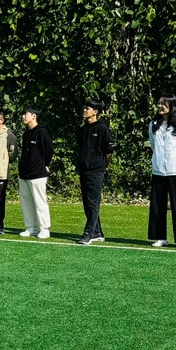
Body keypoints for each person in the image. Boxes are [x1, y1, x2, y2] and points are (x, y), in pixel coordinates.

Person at [146, 95, 176, 249]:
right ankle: (160, 237)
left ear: (171, 106)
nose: (160, 106)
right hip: (159, 171)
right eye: (159, 103)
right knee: (158, 206)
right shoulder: (153, 124)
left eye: (164, 104)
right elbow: (153, 144)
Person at [77, 100, 115, 245]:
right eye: (84, 107)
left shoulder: (102, 128)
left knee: (93, 203)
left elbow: (109, 151)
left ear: (95, 112)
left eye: (88, 108)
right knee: (87, 203)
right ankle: (97, 232)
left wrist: (102, 166)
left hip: (96, 170)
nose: (84, 110)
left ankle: (88, 233)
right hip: (84, 170)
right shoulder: (82, 130)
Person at [17, 108, 53, 239]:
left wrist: (45, 164)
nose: (23, 117)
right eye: (23, 114)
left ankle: (44, 229)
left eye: (25, 114)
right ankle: (31, 227)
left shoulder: (41, 132)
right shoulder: (26, 134)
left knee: (40, 202)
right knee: (26, 202)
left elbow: (49, 150)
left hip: (38, 174)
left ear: (34, 116)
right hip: (24, 174)